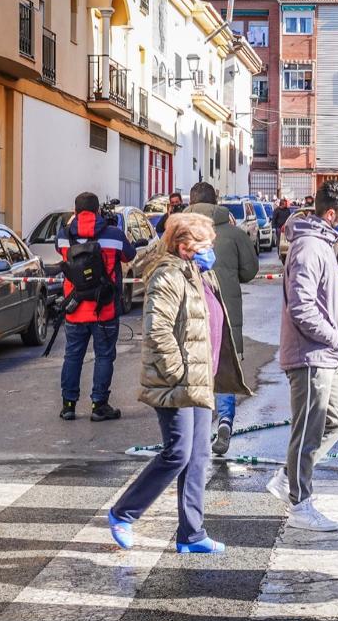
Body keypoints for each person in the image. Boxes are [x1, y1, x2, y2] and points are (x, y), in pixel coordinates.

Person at [107, 213, 250, 554]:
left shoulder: (196, 272)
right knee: (177, 453)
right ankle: (122, 513)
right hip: (177, 382)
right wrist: (179, 373)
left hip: (199, 379)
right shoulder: (168, 276)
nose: (210, 250)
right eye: (205, 245)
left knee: (198, 456)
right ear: (185, 247)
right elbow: (158, 331)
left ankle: (192, 533)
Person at [264, 181, 338, 532]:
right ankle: (300, 503)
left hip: (327, 355)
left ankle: (288, 477)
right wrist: (332, 337)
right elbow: (302, 306)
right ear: (330, 215)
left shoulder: (323, 245)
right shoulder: (309, 248)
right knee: (307, 431)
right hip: (310, 355)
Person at [186, 182, 259, 456]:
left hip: (188, 315)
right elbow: (250, 270)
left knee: (193, 371)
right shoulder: (234, 233)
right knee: (224, 369)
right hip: (224, 314)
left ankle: (195, 431)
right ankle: (225, 422)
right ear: (216, 202)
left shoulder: (177, 233)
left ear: (191, 202)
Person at [56, 192, 135, 422]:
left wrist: (73, 224)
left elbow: (60, 253)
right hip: (105, 309)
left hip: (75, 309)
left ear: (75, 211)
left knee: (72, 357)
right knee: (103, 357)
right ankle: (99, 405)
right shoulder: (114, 235)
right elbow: (128, 256)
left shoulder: (64, 236)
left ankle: (68, 405)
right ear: (99, 210)